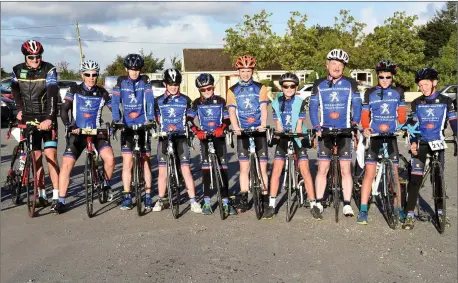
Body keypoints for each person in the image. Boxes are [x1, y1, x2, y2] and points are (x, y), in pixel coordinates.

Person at [309, 48, 362, 219]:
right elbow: (312, 106)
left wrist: (354, 124)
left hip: (345, 130)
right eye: (334, 63)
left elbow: (357, 104)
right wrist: (316, 126)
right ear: (327, 65)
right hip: (325, 131)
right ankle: (318, 201)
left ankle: (347, 203)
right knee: (323, 168)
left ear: (344, 67)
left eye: (340, 64)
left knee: (346, 168)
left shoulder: (351, 83)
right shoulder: (319, 84)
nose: (337, 67)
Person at [402, 68, 457, 230]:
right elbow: (412, 125)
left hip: (438, 143)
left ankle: (440, 212)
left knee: (438, 179)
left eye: (425, 84)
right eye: (420, 85)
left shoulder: (446, 101)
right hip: (421, 143)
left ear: (434, 83)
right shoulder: (417, 102)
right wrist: (412, 142)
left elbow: (453, 121)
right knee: (415, 179)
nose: (423, 88)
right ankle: (409, 214)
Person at [58, 60, 115, 214]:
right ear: (82, 75)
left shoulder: (102, 92)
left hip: (97, 132)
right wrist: (70, 125)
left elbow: (114, 109)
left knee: (109, 159)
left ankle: (105, 185)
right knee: (67, 164)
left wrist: (116, 122)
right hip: (78, 132)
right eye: (88, 74)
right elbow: (64, 109)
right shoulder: (74, 89)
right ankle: (61, 201)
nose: (91, 77)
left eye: (94, 74)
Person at [264, 73, 321, 220]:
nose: (289, 88)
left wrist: (296, 136)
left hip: (297, 137)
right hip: (283, 137)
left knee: (305, 170)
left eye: (292, 86)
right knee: (276, 170)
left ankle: (313, 204)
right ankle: (271, 204)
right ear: (281, 88)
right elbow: (278, 125)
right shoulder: (276, 102)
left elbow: (299, 125)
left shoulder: (300, 101)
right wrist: (278, 134)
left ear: (296, 87)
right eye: (285, 86)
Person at [11, 39, 60, 210]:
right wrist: (19, 109)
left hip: (46, 117)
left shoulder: (49, 69)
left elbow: (53, 93)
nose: (35, 60)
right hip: (29, 117)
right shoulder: (17, 70)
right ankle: (41, 194)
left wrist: (50, 118)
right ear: (25, 57)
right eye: (31, 57)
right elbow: (15, 89)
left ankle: (56, 196)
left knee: (51, 156)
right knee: (36, 159)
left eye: (38, 56)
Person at [357, 60, 406, 224]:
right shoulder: (370, 93)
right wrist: (365, 128)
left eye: (388, 77)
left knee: (395, 175)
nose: (385, 80)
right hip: (375, 136)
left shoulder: (398, 92)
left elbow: (402, 114)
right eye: (382, 77)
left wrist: (401, 126)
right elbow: (365, 114)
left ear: (392, 78)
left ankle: (398, 207)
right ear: (377, 76)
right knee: (369, 174)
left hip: (391, 137)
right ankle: (363, 210)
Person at [152, 68, 202, 213]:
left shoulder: (185, 100)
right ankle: (161, 200)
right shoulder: (158, 101)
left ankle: (193, 201)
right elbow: (156, 118)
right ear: (165, 84)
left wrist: (187, 126)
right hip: (164, 138)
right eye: (170, 83)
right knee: (162, 172)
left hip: (181, 138)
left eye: (176, 84)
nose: (173, 87)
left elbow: (191, 116)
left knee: (185, 169)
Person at [188, 73, 237, 216]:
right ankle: (207, 201)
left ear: (213, 87)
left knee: (223, 169)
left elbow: (227, 118)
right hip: (204, 137)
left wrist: (221, 128)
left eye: (209, 89)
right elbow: (189, 119)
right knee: (206, 171)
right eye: (203, 90)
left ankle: (226, 201)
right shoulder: (196, 102)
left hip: (218, 136)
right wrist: (197, 131)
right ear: (199, 91)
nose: (207, 92)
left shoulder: (221, 100)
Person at [226, 55, 269, 214]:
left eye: (248, 70)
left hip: (258, 130)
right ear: (238, 71)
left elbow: (264, 109)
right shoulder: (232, 90)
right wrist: (236, 127)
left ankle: (264, 199)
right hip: (242, 131)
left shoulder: (261, 88)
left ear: (252, 71)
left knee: (263, 168)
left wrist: (263, 125)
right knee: (244, 167)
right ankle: (244, 199)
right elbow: (231, 112)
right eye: (242, 70)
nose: (245, 74)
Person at [111, 54, 155, 211]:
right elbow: (115, 102)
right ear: (126, 69)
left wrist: (150, 119)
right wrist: (117, 120)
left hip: (143, 124)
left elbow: (150, 100)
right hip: (127, 126)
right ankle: (127, 195)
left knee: (145, 161)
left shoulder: (145, 81)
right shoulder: (121, 82)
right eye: (132, 69)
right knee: (127, 162)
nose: (135, 72)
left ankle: (148, 195)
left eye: (137, 69)